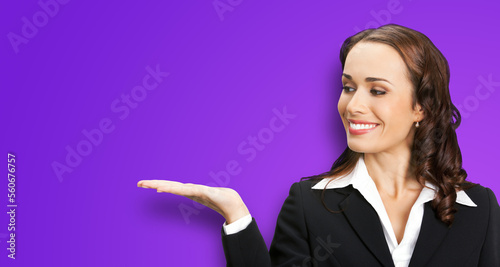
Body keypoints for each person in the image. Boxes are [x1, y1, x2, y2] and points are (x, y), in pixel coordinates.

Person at [137, 24, 500, 266]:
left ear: (421, 106)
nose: (353, 105)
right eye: (347, 86)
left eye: (377, 90)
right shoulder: (309, 203)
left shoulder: (480, 209)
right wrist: (237, 218)